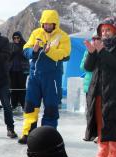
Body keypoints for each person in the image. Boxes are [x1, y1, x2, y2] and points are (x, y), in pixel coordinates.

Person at [84, 16, 116, 157]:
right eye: (102, 30)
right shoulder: (100, 46)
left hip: (115, 92)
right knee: (101, 125)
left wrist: (101, 51)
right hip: (98, 92)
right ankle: (102, 155)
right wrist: (92, 53)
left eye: (108, 30)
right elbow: (88, 68)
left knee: (114, 124)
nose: (104, 33)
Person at [18, 10, 71, 144]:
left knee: (51, 107)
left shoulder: (62, 36)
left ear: (55, 24)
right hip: (35, 76)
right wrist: (33, 50)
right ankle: (28, 133)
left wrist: (49, 51)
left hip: (52, 77)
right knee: (30, 105)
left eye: (50, 24)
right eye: (45, 24)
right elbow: (25, 50)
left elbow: (65, 54)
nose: (47, 26)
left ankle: (48, 136)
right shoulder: (36, 33)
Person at [80, 34, 99, 142]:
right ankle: (90, 134)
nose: (95, 41)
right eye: (94, 39)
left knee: (99, 111)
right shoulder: (88, 51)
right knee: (90, 112)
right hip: (89, 87)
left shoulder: (103, 52)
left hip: (100, 87)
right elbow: (83, 67)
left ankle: (98, 134)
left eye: (98, 38)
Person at [9, 31, 29, 111]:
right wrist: (12, 53)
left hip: (22, 70)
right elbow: (7, 57)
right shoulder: (10, 46)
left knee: (22, 87)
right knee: (13, 87)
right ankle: (13, 104)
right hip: (12, 70)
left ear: (20, 37)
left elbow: (27, 56)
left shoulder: (25, 45)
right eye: (14, 38)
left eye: (18, 37)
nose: (16, 39)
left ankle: (23, 104)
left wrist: (20, 52)